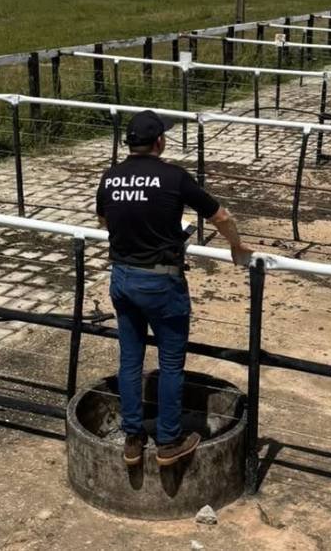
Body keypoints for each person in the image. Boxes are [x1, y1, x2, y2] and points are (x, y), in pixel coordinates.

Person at [95, 110, 253, 467]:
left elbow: (104, 219)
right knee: (169, 363)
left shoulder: (110, 177)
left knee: (130, 360)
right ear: (159, 142)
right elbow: (221, 216)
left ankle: (132, 438)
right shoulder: (173, 176)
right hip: (162, 282)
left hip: (122, 277)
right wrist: (236, 246)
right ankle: (168, 441)